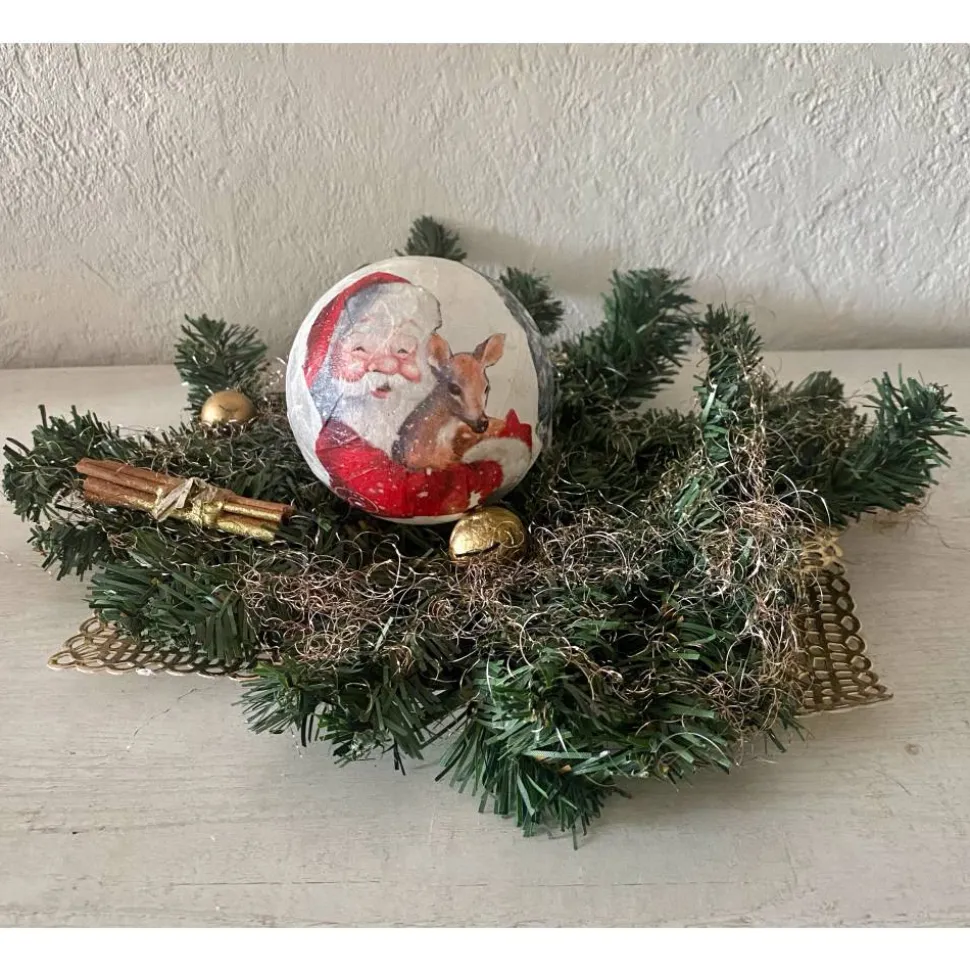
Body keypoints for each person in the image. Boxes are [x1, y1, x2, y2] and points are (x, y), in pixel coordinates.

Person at [302, 271, 531, 519]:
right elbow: (403, 495)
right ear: (331, 354)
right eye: (360, 348)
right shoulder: (337, 441)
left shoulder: (427, 416)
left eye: (403, 350)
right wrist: (493, 470)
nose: (386, 365)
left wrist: (507, 445)